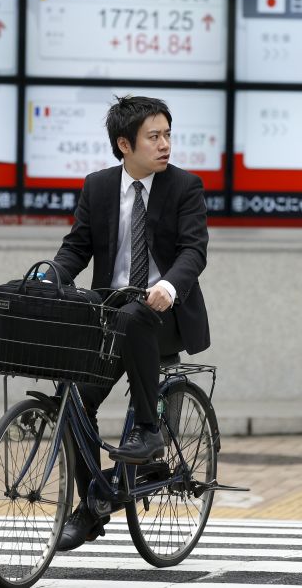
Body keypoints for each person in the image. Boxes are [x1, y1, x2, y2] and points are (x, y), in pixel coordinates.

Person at [48, 95, 210, 550]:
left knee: (138, 313)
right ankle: (96, 503)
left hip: (165, 315)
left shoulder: (184, 187)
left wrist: (170, 287)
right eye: (153, 137)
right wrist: (50, 274)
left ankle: (148, 431)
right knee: (74, 398)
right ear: (125, 144)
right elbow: (77, 248)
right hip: (110, 315)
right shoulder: (98, 187)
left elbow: (194, 251)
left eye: (167, 134)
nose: (165, 145)